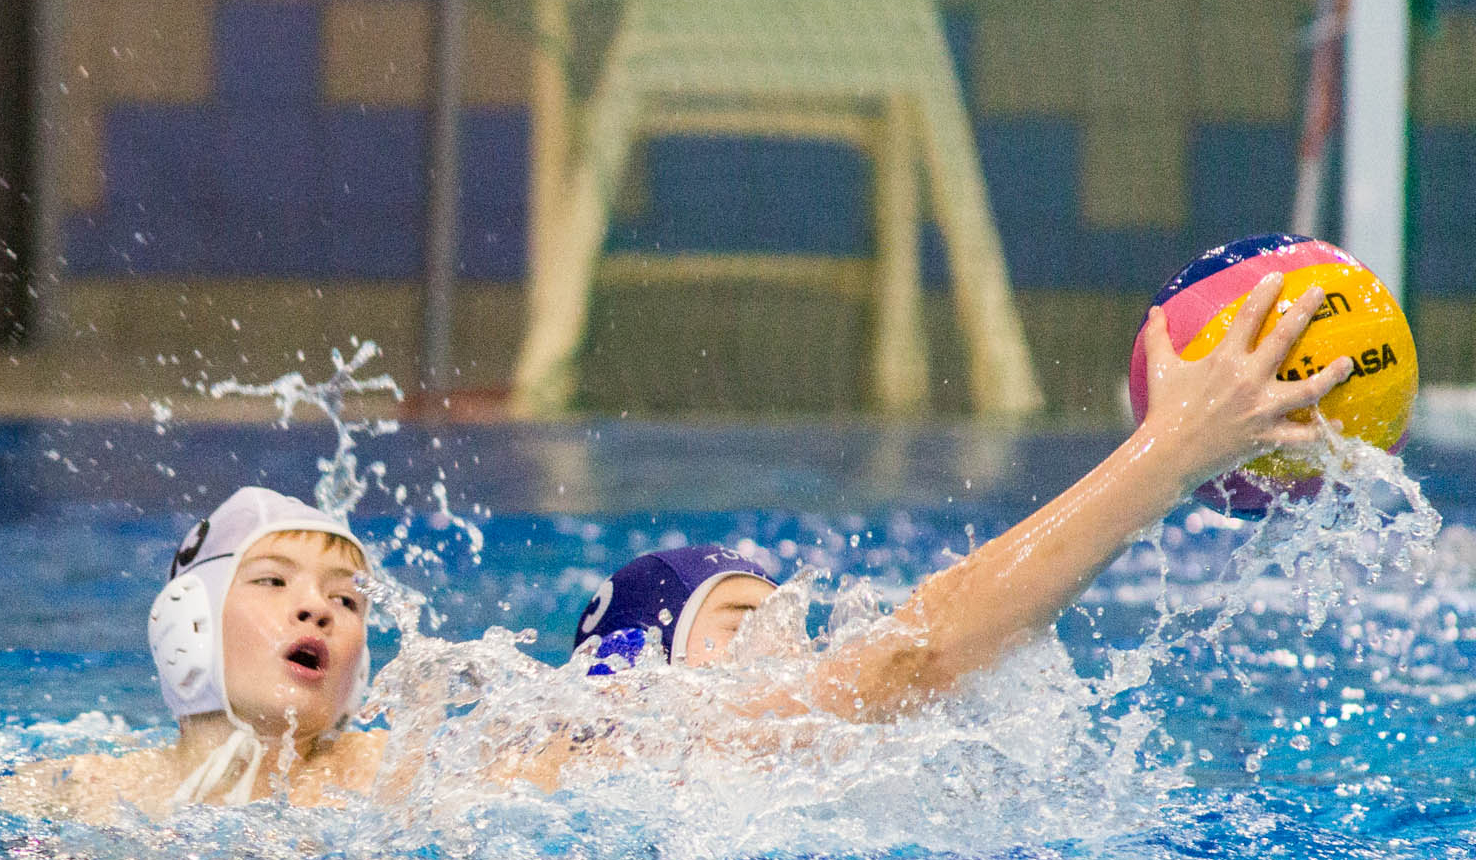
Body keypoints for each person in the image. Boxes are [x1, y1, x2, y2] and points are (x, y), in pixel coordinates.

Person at [573, 273, 1355, 723]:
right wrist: (1175, 450)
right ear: (637, 664)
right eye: (746, 622)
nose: (795, 641)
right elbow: (919, 652)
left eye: (790, 620)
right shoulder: (615, 741)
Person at [0, 487, 389, 821]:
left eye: (345, 600)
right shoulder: (90, 789)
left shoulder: (384, 773)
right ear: (190, 617)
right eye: (273, 580)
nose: (318, 608)